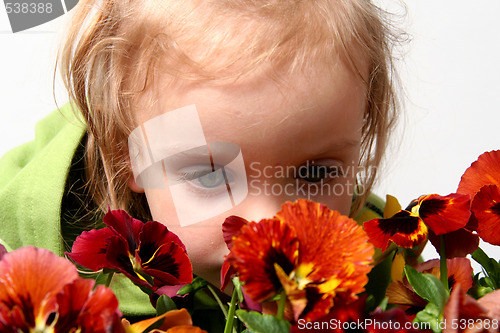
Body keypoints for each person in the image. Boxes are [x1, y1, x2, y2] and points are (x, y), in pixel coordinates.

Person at [0, 0, 400, 329]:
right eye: (210, 174)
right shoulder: (33, 276)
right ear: (130, 157)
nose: (269, 226)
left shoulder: (379, 259)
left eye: (315, 173)